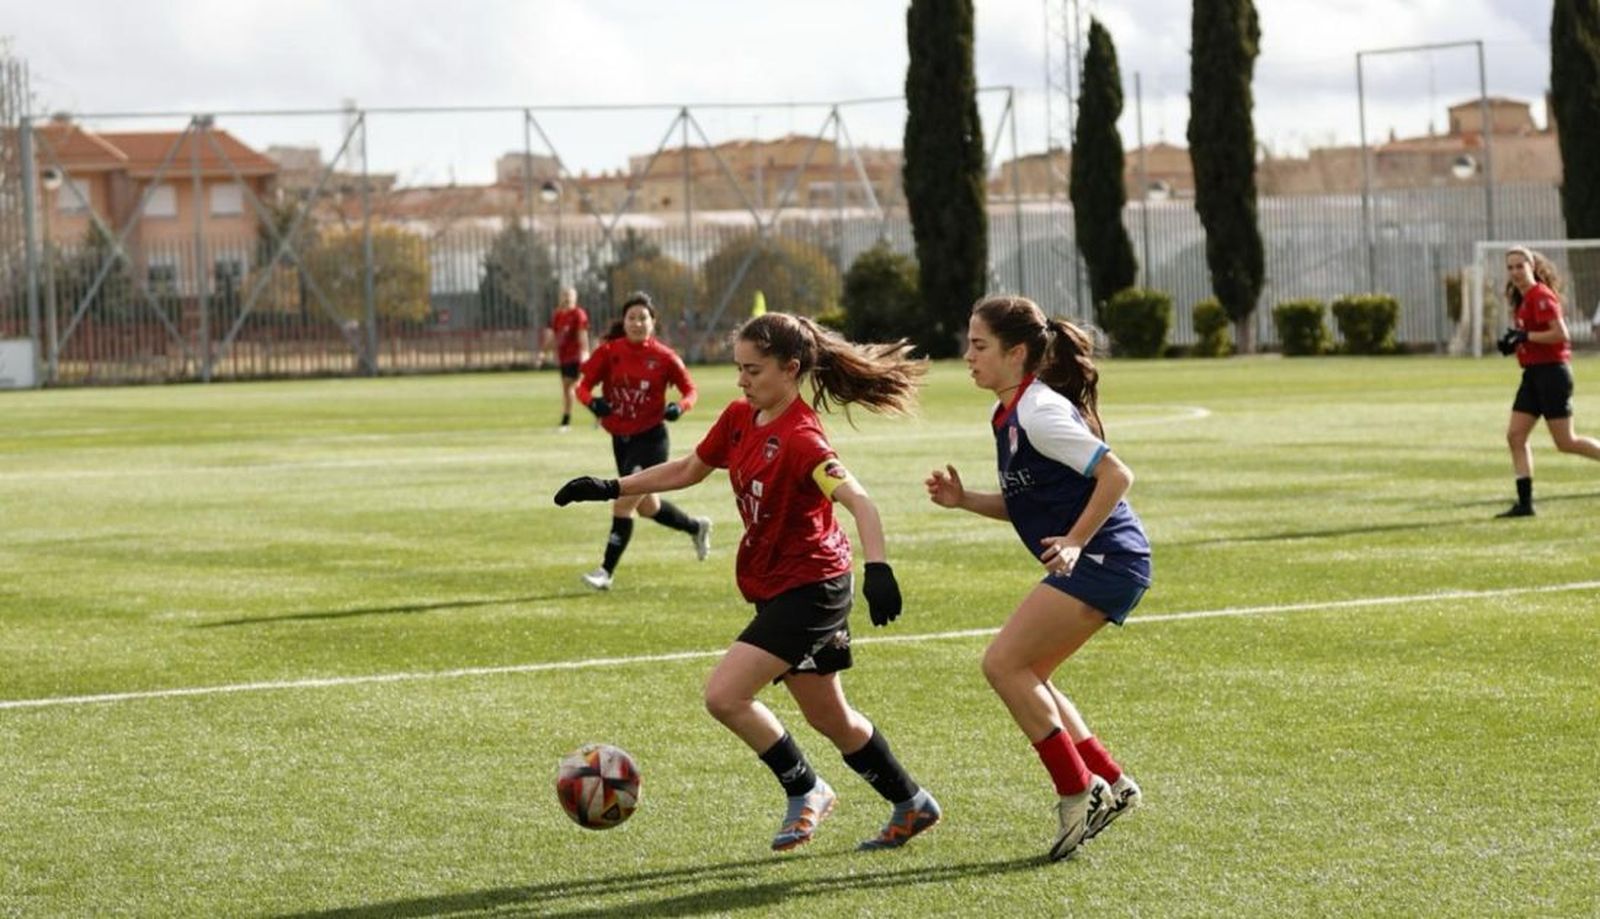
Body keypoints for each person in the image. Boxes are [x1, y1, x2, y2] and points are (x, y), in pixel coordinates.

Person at [555, 311, 940, 852]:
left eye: (753, 370)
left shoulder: (803, 438)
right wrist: (611, 485)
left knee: (725, 695)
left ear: (791, 368)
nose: (742, 380)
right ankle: (912, 803)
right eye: (739, 369)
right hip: (779, 585)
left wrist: (878, 569)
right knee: (831, 716)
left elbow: (860, 502)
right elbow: (688, 468)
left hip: (813, 588)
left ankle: (807, 788)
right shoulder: (741, 417)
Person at [925, 295, 1150, 862]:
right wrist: (965, 500)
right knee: (1033, 673)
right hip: (1107, 561)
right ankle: (1110, 782)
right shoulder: (1011, 410)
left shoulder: (1039, 410)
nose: (967, 356)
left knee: (1003, 665)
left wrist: (1075, 542)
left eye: (979, 346)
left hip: (1107, 559)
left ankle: (1078, 790)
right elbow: (1029, 501)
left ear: (1016, 352)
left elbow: (1116, 474)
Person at [572, 291, 712, 590]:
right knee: (648, 507)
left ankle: (605, 573)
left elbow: (691, 390)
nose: (637, 323)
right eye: (631, 318)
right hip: (621, 440)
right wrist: (592, 403)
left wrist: (679, 407)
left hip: (651, 440)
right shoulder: (609, 352)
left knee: (622, 505)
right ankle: (696, 527)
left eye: (643, 318)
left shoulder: (664, 357)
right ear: (623, 321)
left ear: (653, 322)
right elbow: (581, 387)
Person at [1494, 246, 1600, 518]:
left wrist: (1525, 337)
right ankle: (1525, 503)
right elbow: (1531, 337)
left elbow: (1560, 334)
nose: (1515, 272)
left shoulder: (1541, 295)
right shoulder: (1523, 299)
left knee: (1566, 441)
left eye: (1520, 266)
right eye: (1511, 267)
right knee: (1515, 436)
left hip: (1553, 374)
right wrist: (1514, 344)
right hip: (1532, 375)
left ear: (1533, 267)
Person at [536, 287, 589, 431]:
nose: (567, 298)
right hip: (564, 357)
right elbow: (552, 336)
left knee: (574, 388)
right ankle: (570, 421)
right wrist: (543, 353)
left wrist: (585, 352)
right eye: (564, 295)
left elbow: (582, 334)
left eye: (569, 295)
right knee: (569, 390)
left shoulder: (578, 314)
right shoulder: (557, 315)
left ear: (575, 298)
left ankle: (567, 421)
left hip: (576, 357)